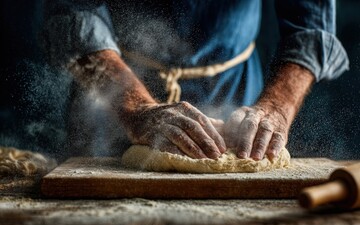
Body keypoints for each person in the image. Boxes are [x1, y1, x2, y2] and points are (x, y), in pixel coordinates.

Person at [42, 0, 349, 159]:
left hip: (236, 88)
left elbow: (311, 26)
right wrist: (134, 108)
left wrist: (278, 108)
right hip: (111, 96)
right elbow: (75, 12)